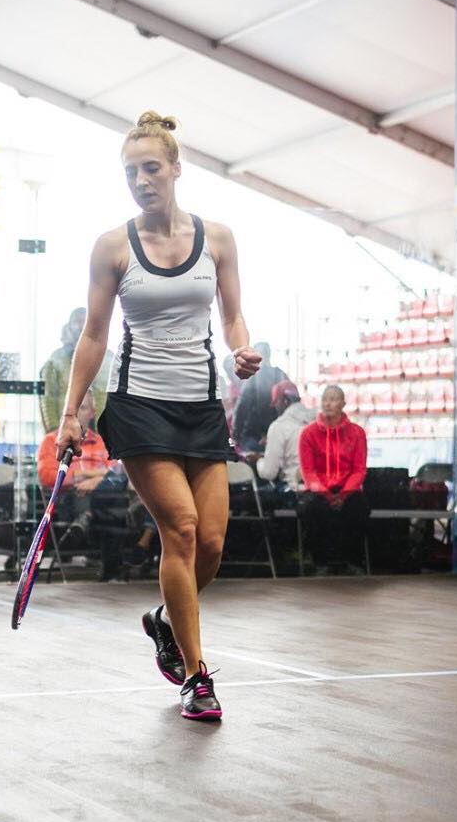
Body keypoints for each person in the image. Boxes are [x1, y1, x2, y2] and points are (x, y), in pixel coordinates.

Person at [59, 111, 261, 721]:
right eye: (131, 172)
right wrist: (73, 411)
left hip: (201, 407)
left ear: (176, 169)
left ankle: (164, 620)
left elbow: (231, 318)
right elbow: (94, 334)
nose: (142, 181)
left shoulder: (218, 239)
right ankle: (196, 677)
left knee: (215, 543)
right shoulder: (112, 247)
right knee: (181, 531)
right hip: (138, 406)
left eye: (152, 168)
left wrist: (241, 349)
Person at [38, 391, 135, 581]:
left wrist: (97, 482)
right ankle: (112, 570)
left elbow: (119, 470)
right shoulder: (52, 441)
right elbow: (48, 476)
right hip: (70, 499)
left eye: (81, 408)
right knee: (115, 504)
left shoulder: (101, 442)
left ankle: (88, 518)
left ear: (92, 412)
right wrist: (88, 476)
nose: (74, 414)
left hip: (102, 500)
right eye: (71, 409)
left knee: (112, 496)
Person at [297, 385, 369, 574]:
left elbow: (359, 469)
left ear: (343, 404)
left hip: (348, 490)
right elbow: (308, 472)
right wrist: (327, 494)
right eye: (325, 399)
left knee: (359, 507)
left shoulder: (357, 433)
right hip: (319, 491)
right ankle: (321, 561)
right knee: (312, 508)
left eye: (333, 399)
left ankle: (353, 561)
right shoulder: (308, 434)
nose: (328, 403)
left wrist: (344, 494)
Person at [40, 307, 106, 435]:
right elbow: (48, 399)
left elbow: (105, 396)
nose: (81, 326)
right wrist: (54, 432)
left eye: (85, 321)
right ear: (69, 327)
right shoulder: (55, 360)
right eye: (77, 321)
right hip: (64, 428)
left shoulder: (105, 358)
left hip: (98, 432)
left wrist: (104, 434)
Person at [230, 342, 287, 455]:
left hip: (253, 438)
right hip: (278, 438)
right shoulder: (281, 375)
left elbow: (242, 407)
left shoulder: (251, 377)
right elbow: (291, 404)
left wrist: (236, 435)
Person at [255, 380, 314, 489]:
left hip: (295, 491)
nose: (275, 408)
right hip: (321, 488)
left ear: (285, 401)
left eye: (276, 403)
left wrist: (259, 460)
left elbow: (269, 473)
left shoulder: (279, 426)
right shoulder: (318, 419)